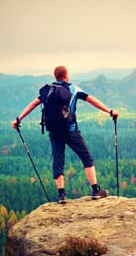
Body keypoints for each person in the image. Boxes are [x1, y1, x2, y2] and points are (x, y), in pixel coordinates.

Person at [11, 65, 119, 204]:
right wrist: (110, 111)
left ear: (55, 76)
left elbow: (33, 104)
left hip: (54, 131)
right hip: (71, 130)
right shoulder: (74, 89)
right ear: (66, 75)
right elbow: (93, 100)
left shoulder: (48, 91)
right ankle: (95, 190)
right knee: (86, 157)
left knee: (58, 160)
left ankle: (61, 195)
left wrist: (18, 120)